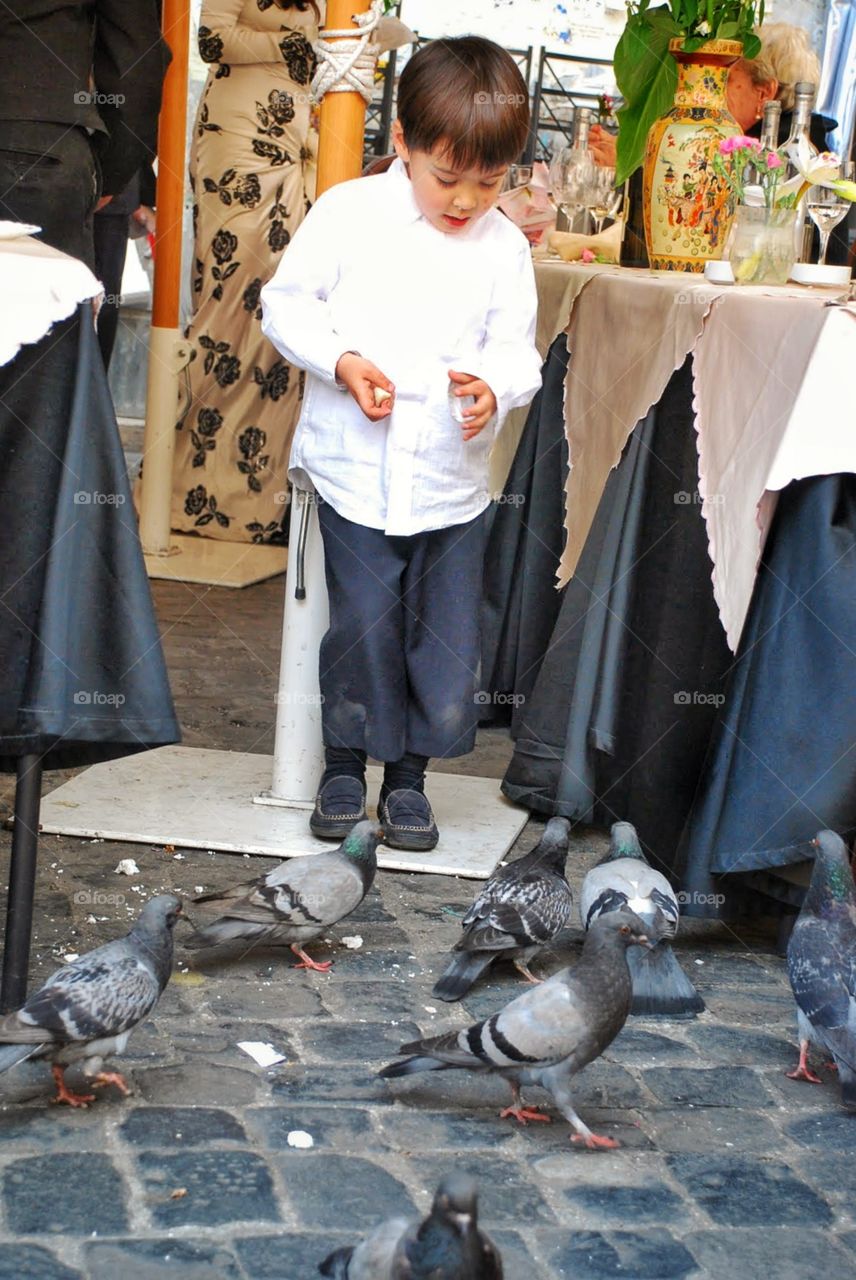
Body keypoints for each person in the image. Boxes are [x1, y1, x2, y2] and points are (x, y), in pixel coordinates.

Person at [260, 36, 541, 851]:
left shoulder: (505, 248)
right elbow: (288, 304)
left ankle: (410, 781)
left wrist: (495, 387)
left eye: (487, 184)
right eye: (446, 177)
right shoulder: (349, 213)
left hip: (451, 484)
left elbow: (515, 351)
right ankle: (344, 767)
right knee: (365, 626)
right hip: (354, 470)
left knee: (447, 643)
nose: (464, 201)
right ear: (406, 146)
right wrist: (343, 362)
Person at [170, 0, 320, 546]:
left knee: (282, 308)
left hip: (295, 145)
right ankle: (192, 482)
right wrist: (291, 42)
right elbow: (211, 40)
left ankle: (256, 497)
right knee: (229, 302)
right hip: (238, 148)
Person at [0, 0, 170, 270]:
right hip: (42, 142)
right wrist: (111, 175)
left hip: (39, 144)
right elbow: (137, 64)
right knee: (46, 305)